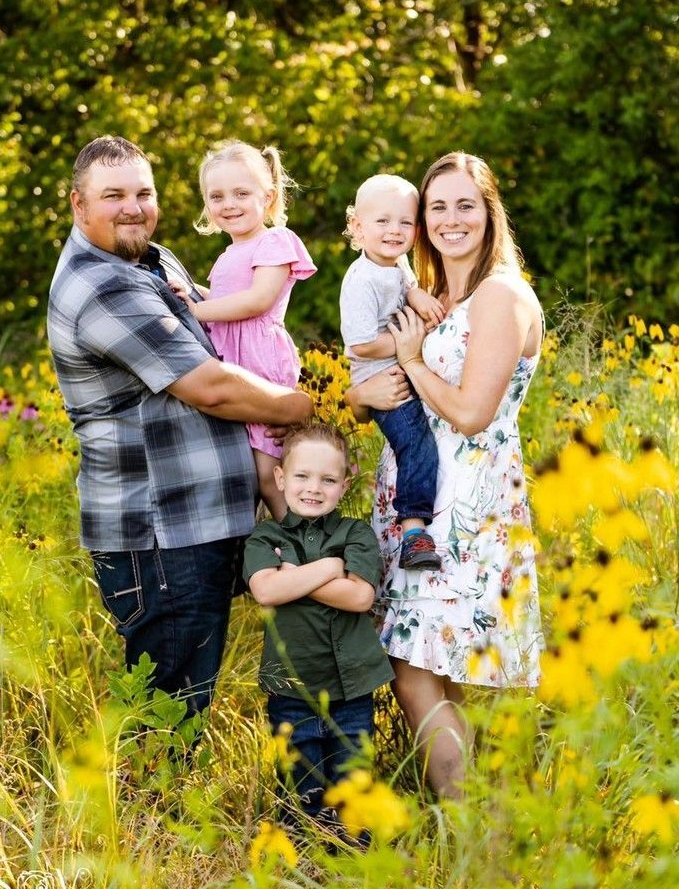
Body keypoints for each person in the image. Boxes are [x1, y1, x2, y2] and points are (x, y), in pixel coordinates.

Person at [47, 136, 314, 719]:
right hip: (159, 536)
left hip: (195, 523)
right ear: (77, 204)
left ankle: (161, 803)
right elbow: (210, 386)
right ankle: (148, 809)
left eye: (143, 192)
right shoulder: (102, 284)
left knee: (190, 697)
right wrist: (304, 410)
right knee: (170, 715)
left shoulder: (151, 258)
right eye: (113, 195)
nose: (133, 206)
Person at [352, 151, 545, 799]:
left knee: (418, 668)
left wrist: (408, 356)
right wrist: (365, 395)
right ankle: (476, 839)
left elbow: (468, 412)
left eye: (465, 204)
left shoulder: (501, 294)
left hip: (468, 508)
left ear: (489, 211)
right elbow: (386, 386)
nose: (450, 219)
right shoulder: (438, 296)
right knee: (429, 665)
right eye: (437, 206)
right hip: (421, 505)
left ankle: (479, 838)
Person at [244, 424, 391, 826]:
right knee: (300, 782)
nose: (313, 488)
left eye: (327, 479)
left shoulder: (356, 534)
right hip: (292, 687)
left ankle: (352, 863)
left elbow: (360, 596)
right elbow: (266, 590)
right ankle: (303, 861)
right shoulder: (265, 536)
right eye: (302, 476)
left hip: (351, 687)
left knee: (353, 782)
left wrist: (297, 576)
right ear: (280, 478)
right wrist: (328, 569)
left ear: (344, 486)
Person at [171, 140, 316, 520]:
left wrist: (197, 309)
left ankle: (304, 542)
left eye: (241, 193)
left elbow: (257, 301)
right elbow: (226, 300)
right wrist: (190, 292)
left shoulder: (274, 241)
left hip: (259, 361)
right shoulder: (227, 254)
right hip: (232, 360)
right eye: (216, 196)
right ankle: (264, 551)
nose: (228, 204)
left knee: (268, 473)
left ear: (267, 197)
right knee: (245, 468)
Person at [339, 173, 446, 569]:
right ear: (357, 226)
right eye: (382, 221)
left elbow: (406, 281)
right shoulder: (361, 279)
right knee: (415, 443)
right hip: (381, 380)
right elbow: (360, 344)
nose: (394, 230)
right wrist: (408, 344)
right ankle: (414, 532)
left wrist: (417, 293)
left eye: (405, 222)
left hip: (402, 368)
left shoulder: (395, 263)